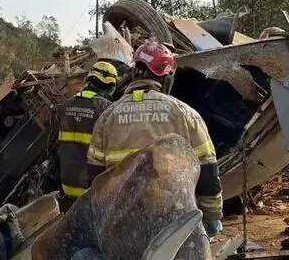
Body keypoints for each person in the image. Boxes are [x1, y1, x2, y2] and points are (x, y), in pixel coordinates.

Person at [87, 40, 223, 237]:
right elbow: (208, 172)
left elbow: (95, 179)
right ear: (166, 78)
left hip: (121, 224)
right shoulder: (186, 114)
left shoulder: (107, 117)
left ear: (133, 75)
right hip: (174, 224)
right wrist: (212, 216)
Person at [58, 61, 117, 211]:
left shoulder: (65, 106)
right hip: (91, 191)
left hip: (66, 188)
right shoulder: (107, 108)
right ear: (110, 86)